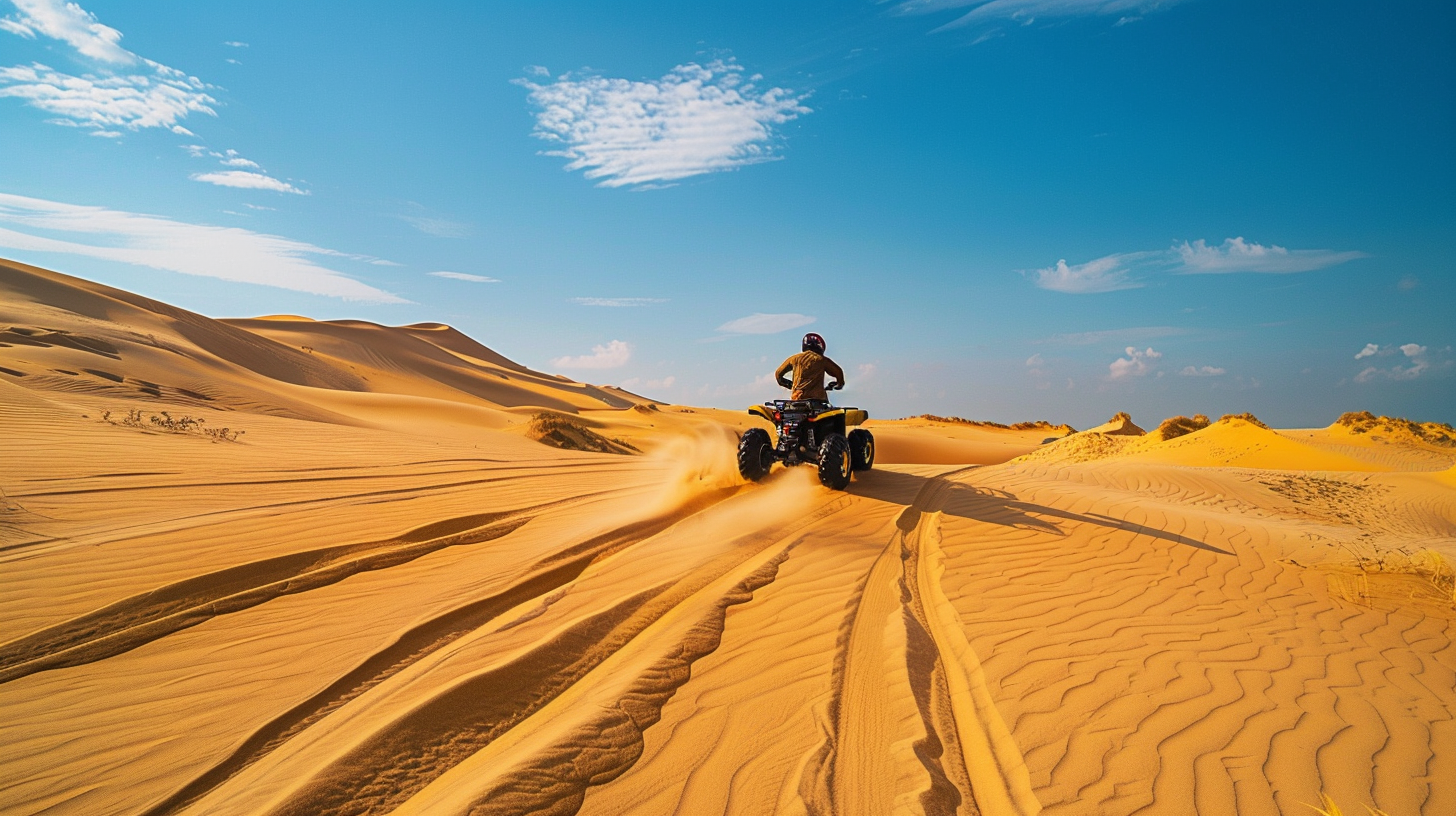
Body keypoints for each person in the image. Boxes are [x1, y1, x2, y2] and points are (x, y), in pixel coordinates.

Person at [775, 332, 845, 402]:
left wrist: (790, 385)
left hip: (797, 399)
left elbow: (778, 374)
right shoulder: (822, 360)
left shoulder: (794, 358)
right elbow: (839, 373)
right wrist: (839, 384)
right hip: (817, 400)